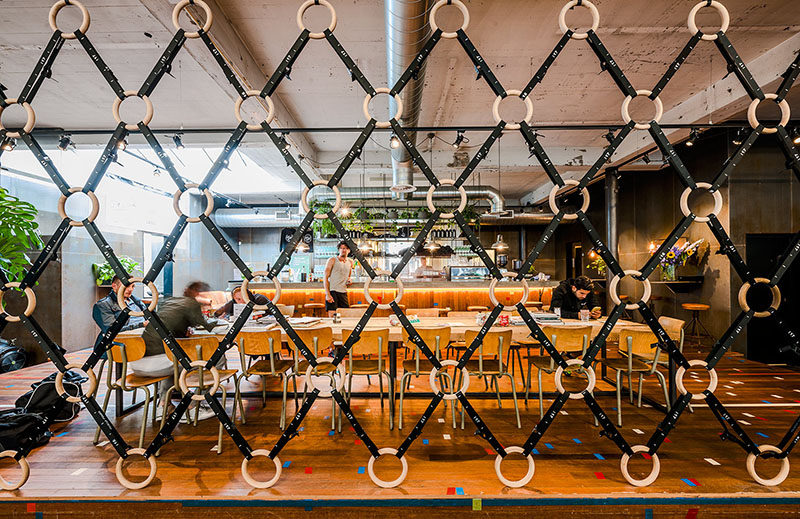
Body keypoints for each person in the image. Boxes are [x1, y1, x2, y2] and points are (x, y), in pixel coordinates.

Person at [135, 281, 223, 421]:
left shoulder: (170, 301)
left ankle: (163, 405)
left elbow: (169, 325)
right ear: (197, 294)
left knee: (174, 362)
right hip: (159, 364)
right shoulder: (191, 304)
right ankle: (194, 406)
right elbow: (207, 326)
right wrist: (223, 323)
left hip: (138, 363)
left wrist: (182, 331)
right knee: (214, 360)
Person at [92, 276, 149, 350]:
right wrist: (141, 325)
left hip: (143, 339)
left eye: (132, 286)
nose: (130, 289)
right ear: (114, 286)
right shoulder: (103, 305)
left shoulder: (136, 301)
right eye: (127, 286)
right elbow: (111, 330)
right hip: (120, 344)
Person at [323, 241, 353, 317]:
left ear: (349, 250)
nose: (343, 250)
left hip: (343, 292)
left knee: (345, 316)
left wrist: (349, 279)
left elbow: (349, 275)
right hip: (333, 291)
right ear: (338, 250)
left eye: (345, 248)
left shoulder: (350, 262)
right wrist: (328, 294)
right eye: (341, 248)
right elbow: (325, 277)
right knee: (332, 316)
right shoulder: (332, 260)